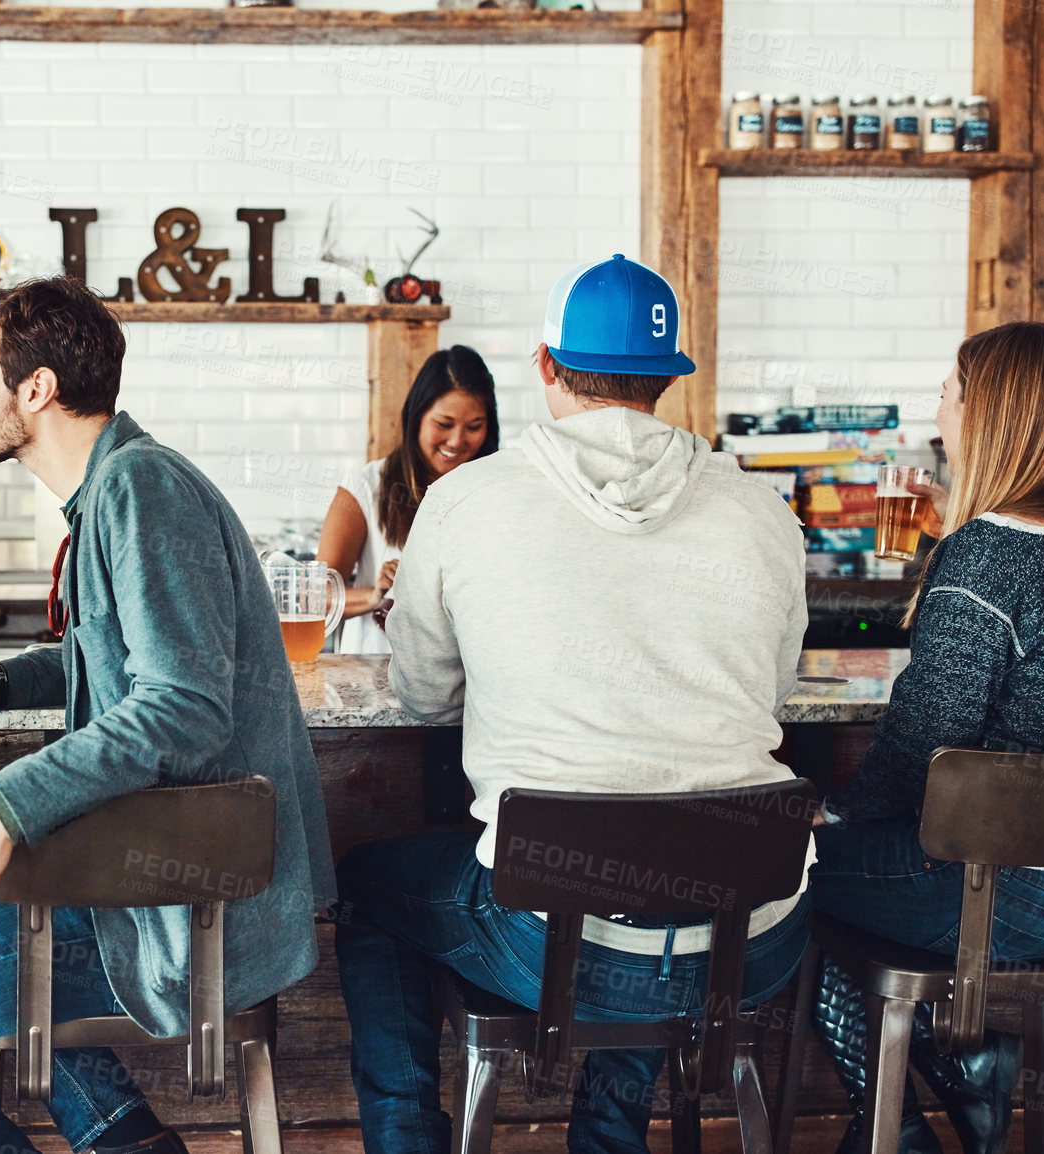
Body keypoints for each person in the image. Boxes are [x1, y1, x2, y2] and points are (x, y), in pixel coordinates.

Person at [0, 276, 335, 1154]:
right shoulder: (119, 486)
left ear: (33, 389)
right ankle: (121, 1136)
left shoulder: (138, 491)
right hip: (146, 893)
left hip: (173, 913)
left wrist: (1, 807)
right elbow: (119, 667)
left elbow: (183, 707)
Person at [334, 254, 811, 1154]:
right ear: (670, 380)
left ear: (546, 368)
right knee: (659, 847)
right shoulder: (761, 508)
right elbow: (772, 691)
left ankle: (406, 1139)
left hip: (550, 940)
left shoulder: (464, 500)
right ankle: (607, 1134)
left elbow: (425, 695)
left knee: (366, 886)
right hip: (748, 943)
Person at [808, 321, 1044, 1154]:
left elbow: (921, 750)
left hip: (998, 897)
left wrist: (832, 814)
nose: (939, 413)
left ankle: (898, 1123)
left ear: (990, 412)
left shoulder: (982, 562)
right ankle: (958, 1066)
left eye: (948, 392)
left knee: (776, 878)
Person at [315, 346, 499, 654]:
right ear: (416, 417)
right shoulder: (365, 488)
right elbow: (317, 596)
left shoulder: (495, 491)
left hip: (469, 681)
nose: (456, 440)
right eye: (444, 423)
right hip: (375, 680)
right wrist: (374, 595)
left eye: (474, 427)